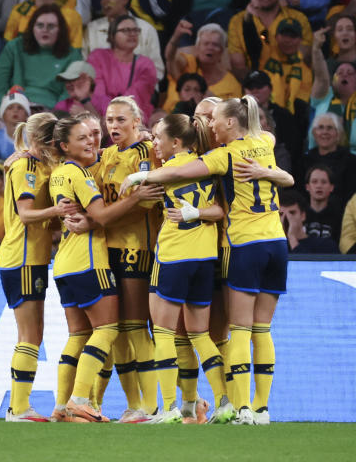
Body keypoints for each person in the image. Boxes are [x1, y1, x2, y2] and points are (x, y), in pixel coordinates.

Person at [121, 96, 294, 425]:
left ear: (230, 122)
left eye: (212, 117)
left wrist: (141, 176)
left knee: (223, 331)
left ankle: (225, 407)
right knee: (252, 330)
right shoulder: (264, 141)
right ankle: (254, 407)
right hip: (273, 243)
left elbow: (183, 170)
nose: (209, 124)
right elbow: (284, 174)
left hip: (234, 246)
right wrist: (267, 171)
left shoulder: (220, 156)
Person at [47, 116, 162, 423]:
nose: (92, 141)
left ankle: (61, 406)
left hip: (63, 264)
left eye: (92, 135)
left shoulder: (57, 174)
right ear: (64, 145)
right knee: (109, 329)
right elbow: (102, 215)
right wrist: (136, 196)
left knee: (78, 335)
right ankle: (81, 399)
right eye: (83, 137)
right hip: (89, 261)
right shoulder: (80, 174)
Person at [145, 114, 234, 424]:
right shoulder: (208, 166)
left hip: (175, 256)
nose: (154, 143)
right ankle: (225, 401)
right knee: (200, 334)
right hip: (205, 258)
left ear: (176, 142)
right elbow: (221, 210)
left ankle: (168, 407)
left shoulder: (168, 170)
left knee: (164, 332)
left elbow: (142, 191)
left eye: (158, 138)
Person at [0, 112, 71, 420]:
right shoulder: (25, 166)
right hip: (22, 257)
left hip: (32, 258)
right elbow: (26, 214)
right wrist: (58, 209)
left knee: (32, 334)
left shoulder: (38, 164)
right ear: (48, 142)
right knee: (30, 335)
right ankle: (18, 407)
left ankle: (20, 406)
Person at [95, 96, 162, 421]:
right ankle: (133, 404)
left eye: (121, 120)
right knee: (117, 329)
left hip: (137, 247)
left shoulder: (146, 153)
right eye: (109, 120)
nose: (113, 126)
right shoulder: (106, 154)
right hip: (107, 248)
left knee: (136, 326)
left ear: (137, 122)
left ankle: (150, 405)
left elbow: (149, 201)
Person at [0, 4, 82, 112]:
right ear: (32, 27)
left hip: (51, 111)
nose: (45, 30)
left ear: (60, 30)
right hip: (14, 106)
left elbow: (70, 94)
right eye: (40, 25)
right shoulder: (15, 47)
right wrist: (2, 108)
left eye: (51, 26)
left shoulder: (73, 55)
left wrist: (57, 116)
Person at [228, 0, 312, 81]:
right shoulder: (237, 21)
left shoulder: (299, 19)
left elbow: (302, 58)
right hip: (253, 85)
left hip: (290, 81)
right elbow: (239, 67)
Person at [84, 0, 163, 80]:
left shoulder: (146, 29)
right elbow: (85, 66)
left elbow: (157, 70)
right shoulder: (92, 28)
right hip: (99, 89)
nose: (104, 1)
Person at [164, 23, 242, 112]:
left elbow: (234, 116)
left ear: (221, 51)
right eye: (205, 43)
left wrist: (214, 101)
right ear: (197, 48)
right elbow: (170, 57)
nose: (210, 48)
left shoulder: (232, 86)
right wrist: (176, 37)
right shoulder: (186, 64)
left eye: (215, 45)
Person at [280, 189, 337, 254]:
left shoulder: (326, 245)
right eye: (281, 214)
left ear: (303, 216)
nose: (287, 218)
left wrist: (292, 237)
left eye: (292, 213)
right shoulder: (273, 246)